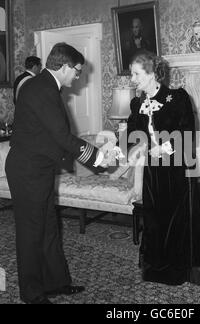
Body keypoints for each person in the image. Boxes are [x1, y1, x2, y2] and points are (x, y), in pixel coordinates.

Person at [5, 43, 111, 304]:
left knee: (49, 227)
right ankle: (32, 294)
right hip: (27, 171)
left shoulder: (46, 86)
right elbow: (62, 137)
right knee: (31, 232)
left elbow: (51, 136)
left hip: (37, 168)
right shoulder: (42, 89)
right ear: (63, 67)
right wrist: (97, 157)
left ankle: (56, 283)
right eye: (76, 70)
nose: (77, 76)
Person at [123, 51, 200, 286]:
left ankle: (179, 270)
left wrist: (162, 149)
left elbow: (186, 132)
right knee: (154, 220)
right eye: (132, 73)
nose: (132, 78)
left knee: (176, 220)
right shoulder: (137, 103)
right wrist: (133, 149)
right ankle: (157, 268)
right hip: (153, 172)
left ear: (153, 74)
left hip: (177, 170)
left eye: (136, 73)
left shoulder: (177, 98)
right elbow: (132, 135)